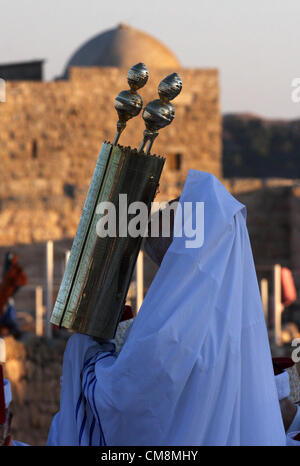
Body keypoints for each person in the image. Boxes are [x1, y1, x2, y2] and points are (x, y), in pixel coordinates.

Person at [47, 169, 288, 446]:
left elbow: (124, 401)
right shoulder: (236, 326)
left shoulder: (175, 325)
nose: (167, 208)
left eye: (176, 206)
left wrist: (86, 353)